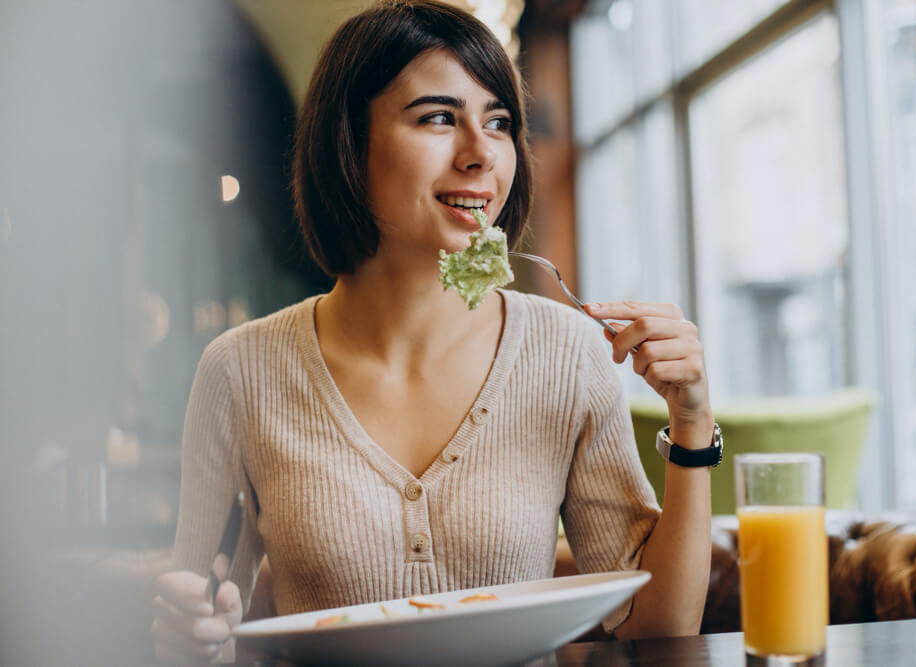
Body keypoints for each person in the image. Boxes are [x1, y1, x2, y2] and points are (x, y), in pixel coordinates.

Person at [150, 1, 715, 662]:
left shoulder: (569, 353)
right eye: (439, 118)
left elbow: (657, 623)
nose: (482, 154)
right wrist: (193, 634)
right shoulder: (239, 371)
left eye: (498, 122)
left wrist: (693, 420)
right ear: (349, 147)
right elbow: (200, 628)